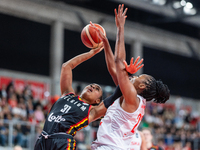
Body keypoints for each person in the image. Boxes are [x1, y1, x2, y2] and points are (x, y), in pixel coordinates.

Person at [91, 4, 170, 150]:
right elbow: (113, 69)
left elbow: (119, 62)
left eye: (139, 76)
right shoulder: (131, 97)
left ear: (142, 86)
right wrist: (105, 43)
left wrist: (120, 28)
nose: (135, 76)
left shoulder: (132, 97)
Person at [34, 41, 141, 150]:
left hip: (62, 142)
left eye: (97, 89)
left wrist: (127, 75)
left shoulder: (93, 111)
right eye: (92, 85)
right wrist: (91, 53)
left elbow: (117, 93)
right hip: (42, 139)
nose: (93, 87)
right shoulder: (67, 94)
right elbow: (66, 66)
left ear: (97, 100)